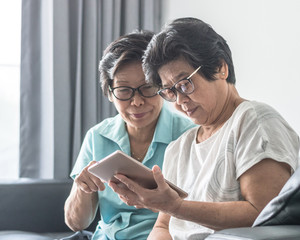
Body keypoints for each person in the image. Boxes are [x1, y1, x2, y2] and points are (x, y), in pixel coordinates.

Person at [108, 18, 300, 239]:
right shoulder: (179, 147)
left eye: (184, 84)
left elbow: (262, 214)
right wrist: (169, 207)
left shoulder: (254, 120)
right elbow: (163, 227)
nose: (179, 101)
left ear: (220, 68)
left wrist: (176, 206)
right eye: (170, 91)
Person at [63, 30, 195, 240]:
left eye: (147, 88)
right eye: (124, 90)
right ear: (109, 92)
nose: (137, 102)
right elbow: (76, 223)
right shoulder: (97, 136)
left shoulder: (189, 135)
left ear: (162, 87)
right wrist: (82, 189)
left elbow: (195, 215)